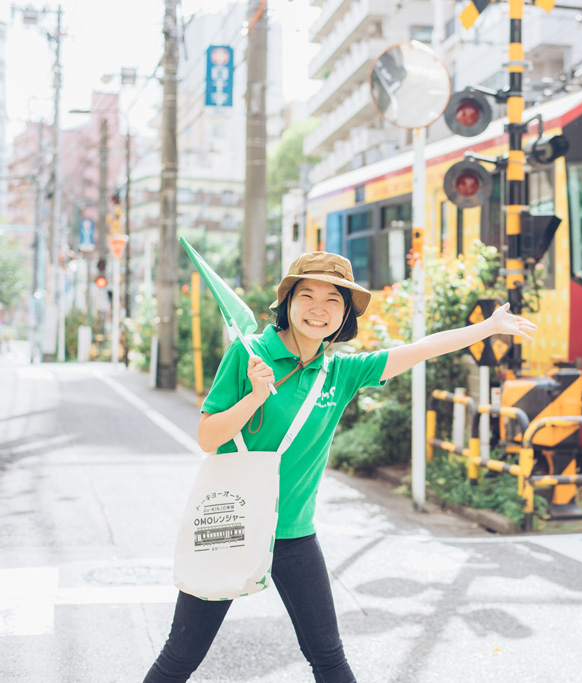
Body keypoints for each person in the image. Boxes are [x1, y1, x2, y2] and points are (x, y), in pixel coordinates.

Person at [145, 252, 536, 683]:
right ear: (288, 302)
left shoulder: (341, 373)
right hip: (231, 526)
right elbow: (207, 437)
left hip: (294, 533)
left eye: (333, 299)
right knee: (180, 657)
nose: (319, 308)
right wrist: (255, 396)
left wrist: (488, 327)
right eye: (307, 295)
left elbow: (422, 348)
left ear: (345, 313)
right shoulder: (248, 353)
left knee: (329, 659)